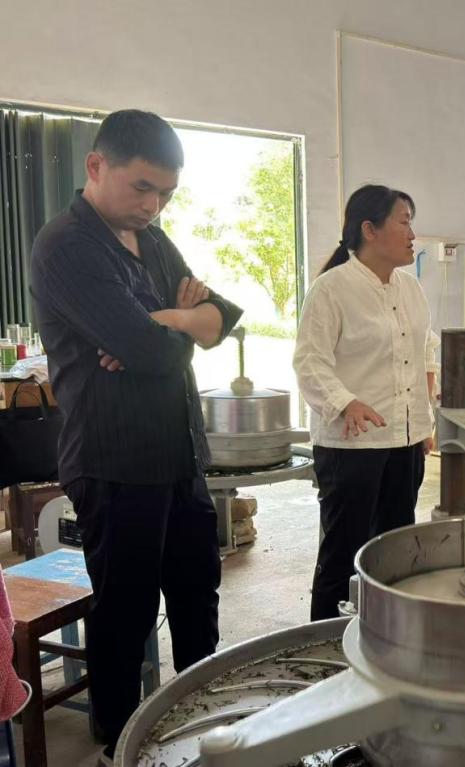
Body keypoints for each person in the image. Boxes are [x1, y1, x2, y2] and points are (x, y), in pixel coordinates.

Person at [30, 109, 242, 764]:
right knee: (125, 611)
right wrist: (174, 325)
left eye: (166, 194)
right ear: (97, 166)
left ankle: (203, 715)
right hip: (115, 461)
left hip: (179, 454)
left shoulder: (152, 239)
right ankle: (119, 740)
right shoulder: (66, 246)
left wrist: (161, 321)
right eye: (143, 187)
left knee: (197, 594)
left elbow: (222, 317)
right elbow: (149, 349)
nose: (153, 206)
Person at [293, 184, 436, 621]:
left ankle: (383, 636)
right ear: (370, 229)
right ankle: (325, 645)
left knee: (394, 550)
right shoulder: (332, 289)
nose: (412, 234)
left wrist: (423, 424)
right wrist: (346, 402)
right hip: (351, 447)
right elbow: (309, 361)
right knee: (343, 554)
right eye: (404, 222)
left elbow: (423, 350)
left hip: (403, 443)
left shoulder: (410, 289)